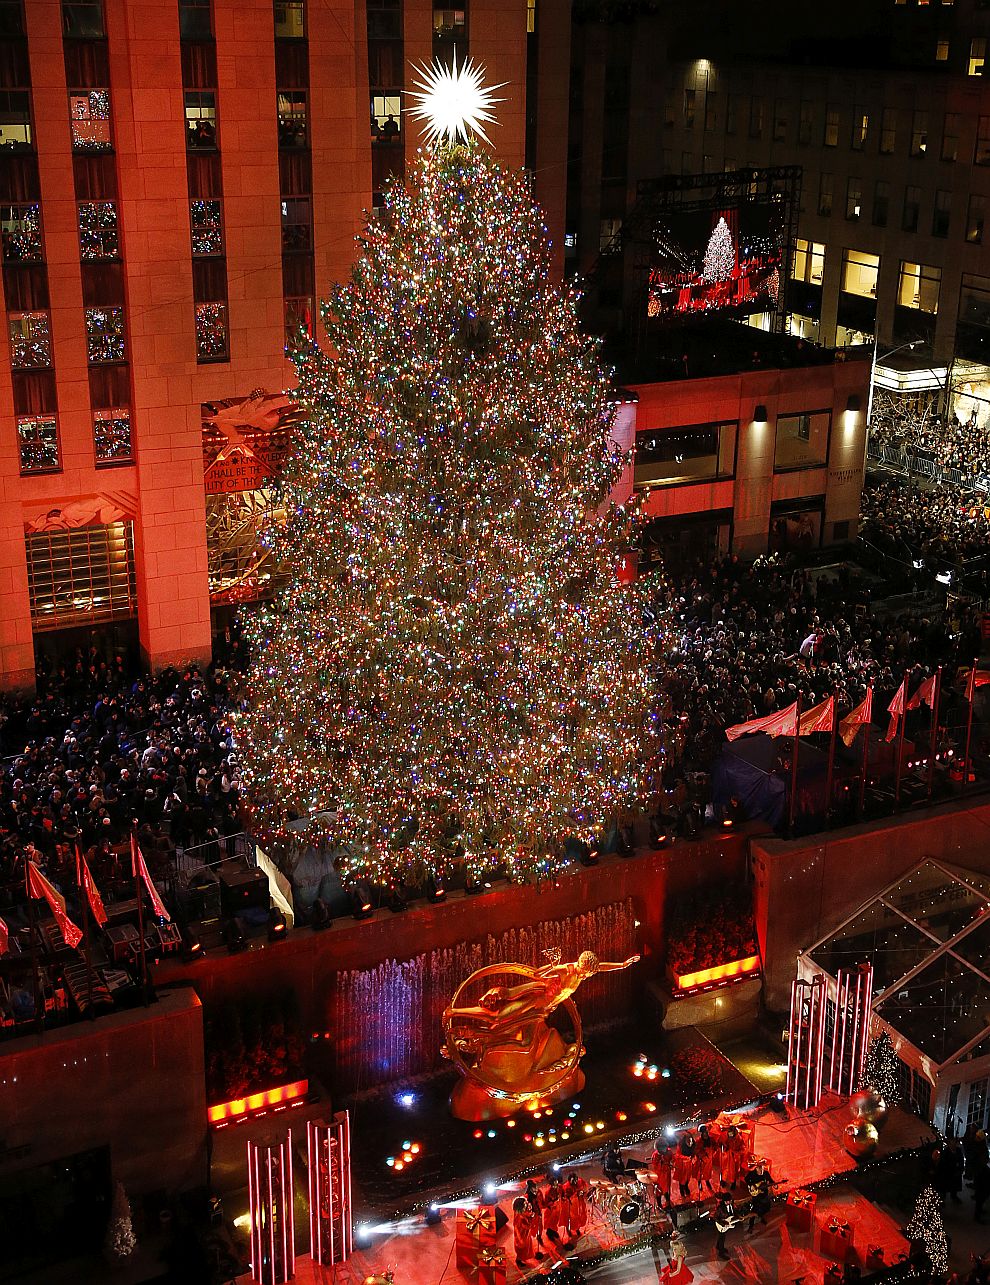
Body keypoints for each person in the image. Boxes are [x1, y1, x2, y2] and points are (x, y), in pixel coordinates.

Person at [744, 1156, 775, 1231]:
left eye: (762, 1168)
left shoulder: (765, 1173)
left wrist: (775, 1184)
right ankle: (751, 1226)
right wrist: (752, 1185)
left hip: (764, 1194)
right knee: (754, 1209)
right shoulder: (752, 1174)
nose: (762, 1169)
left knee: (765, 1208)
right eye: (760, 1167)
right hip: (756, 1195)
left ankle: (761, 1218)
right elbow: (746, 1179)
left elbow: (771, 1181)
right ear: (757, 1167)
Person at [713, 1184, 738, 1261]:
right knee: (722, 1237)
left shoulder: (731, 1205)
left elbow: (732, 1213)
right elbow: (716, 1218)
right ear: (724, 1201)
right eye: (728, 1201)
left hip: (726, 1223)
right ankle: (721, 1252)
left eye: (730, 1200)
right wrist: (723, 1223)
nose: (730, 1202)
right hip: (721, 1224)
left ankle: (718, 1246)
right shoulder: (720, 1208)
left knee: (721, 1236)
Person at [564, 1171, 588, 1242]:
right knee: (571, 1218)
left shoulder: (580, 1181)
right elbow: (567, 1197)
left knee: (579, 1216)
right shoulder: (566, 1186)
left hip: (580, 1202)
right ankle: (568, 1230)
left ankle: (577, 1228)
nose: (575, 1182)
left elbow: (585, 1187)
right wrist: (576, 1194)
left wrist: (583, 1192)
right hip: (571, 1205)